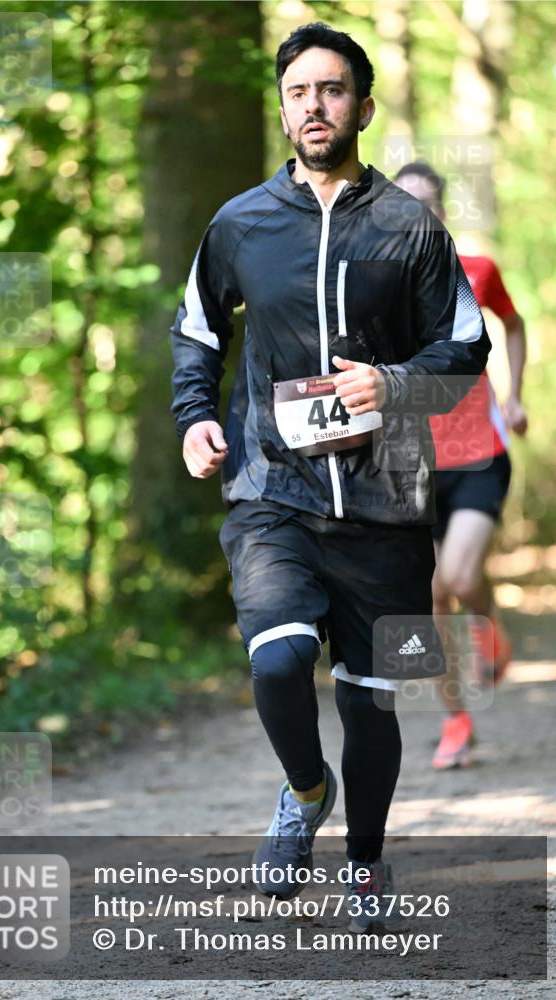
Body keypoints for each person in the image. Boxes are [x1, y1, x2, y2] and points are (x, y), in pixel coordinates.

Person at [170, 22, 490, 923]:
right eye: (299, 92)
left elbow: (467, 343)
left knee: (374, 699)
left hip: (389, 501)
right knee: (278, 663)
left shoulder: (409, 226)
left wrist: (388, 386)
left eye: (332, 89)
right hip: (272, 490)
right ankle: (304, 791)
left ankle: (366, 862)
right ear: (282, 108)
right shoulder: (239, 223)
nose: (315, 105)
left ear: (363, 105)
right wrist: (196, 417)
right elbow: (198, 331)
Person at [394, 162, 528, 770]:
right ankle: (456, 722)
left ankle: (488, 621)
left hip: (479, 454)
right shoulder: (375, 287)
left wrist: (515, 395)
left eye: (425, 204)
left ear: (442, 211)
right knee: (427, 603)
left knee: (456, 576)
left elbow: (514, 325)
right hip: (412, 466)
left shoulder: (476, 271)